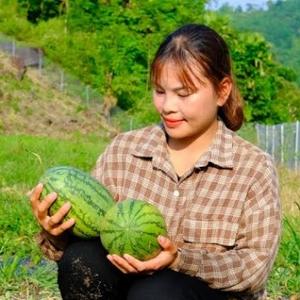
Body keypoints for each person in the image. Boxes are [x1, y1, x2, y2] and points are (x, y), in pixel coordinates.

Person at [30, 24, 281, 300]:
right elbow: (91, 234)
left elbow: (254, 269)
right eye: (160, 91)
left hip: (198, 295)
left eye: (183, 93)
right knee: (81, 259)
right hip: (130, 288)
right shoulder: (125, 150)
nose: (168, 106)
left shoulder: (253, 168)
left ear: (222, 91)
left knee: (157, 293)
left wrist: (179, 260)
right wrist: (58, 233)